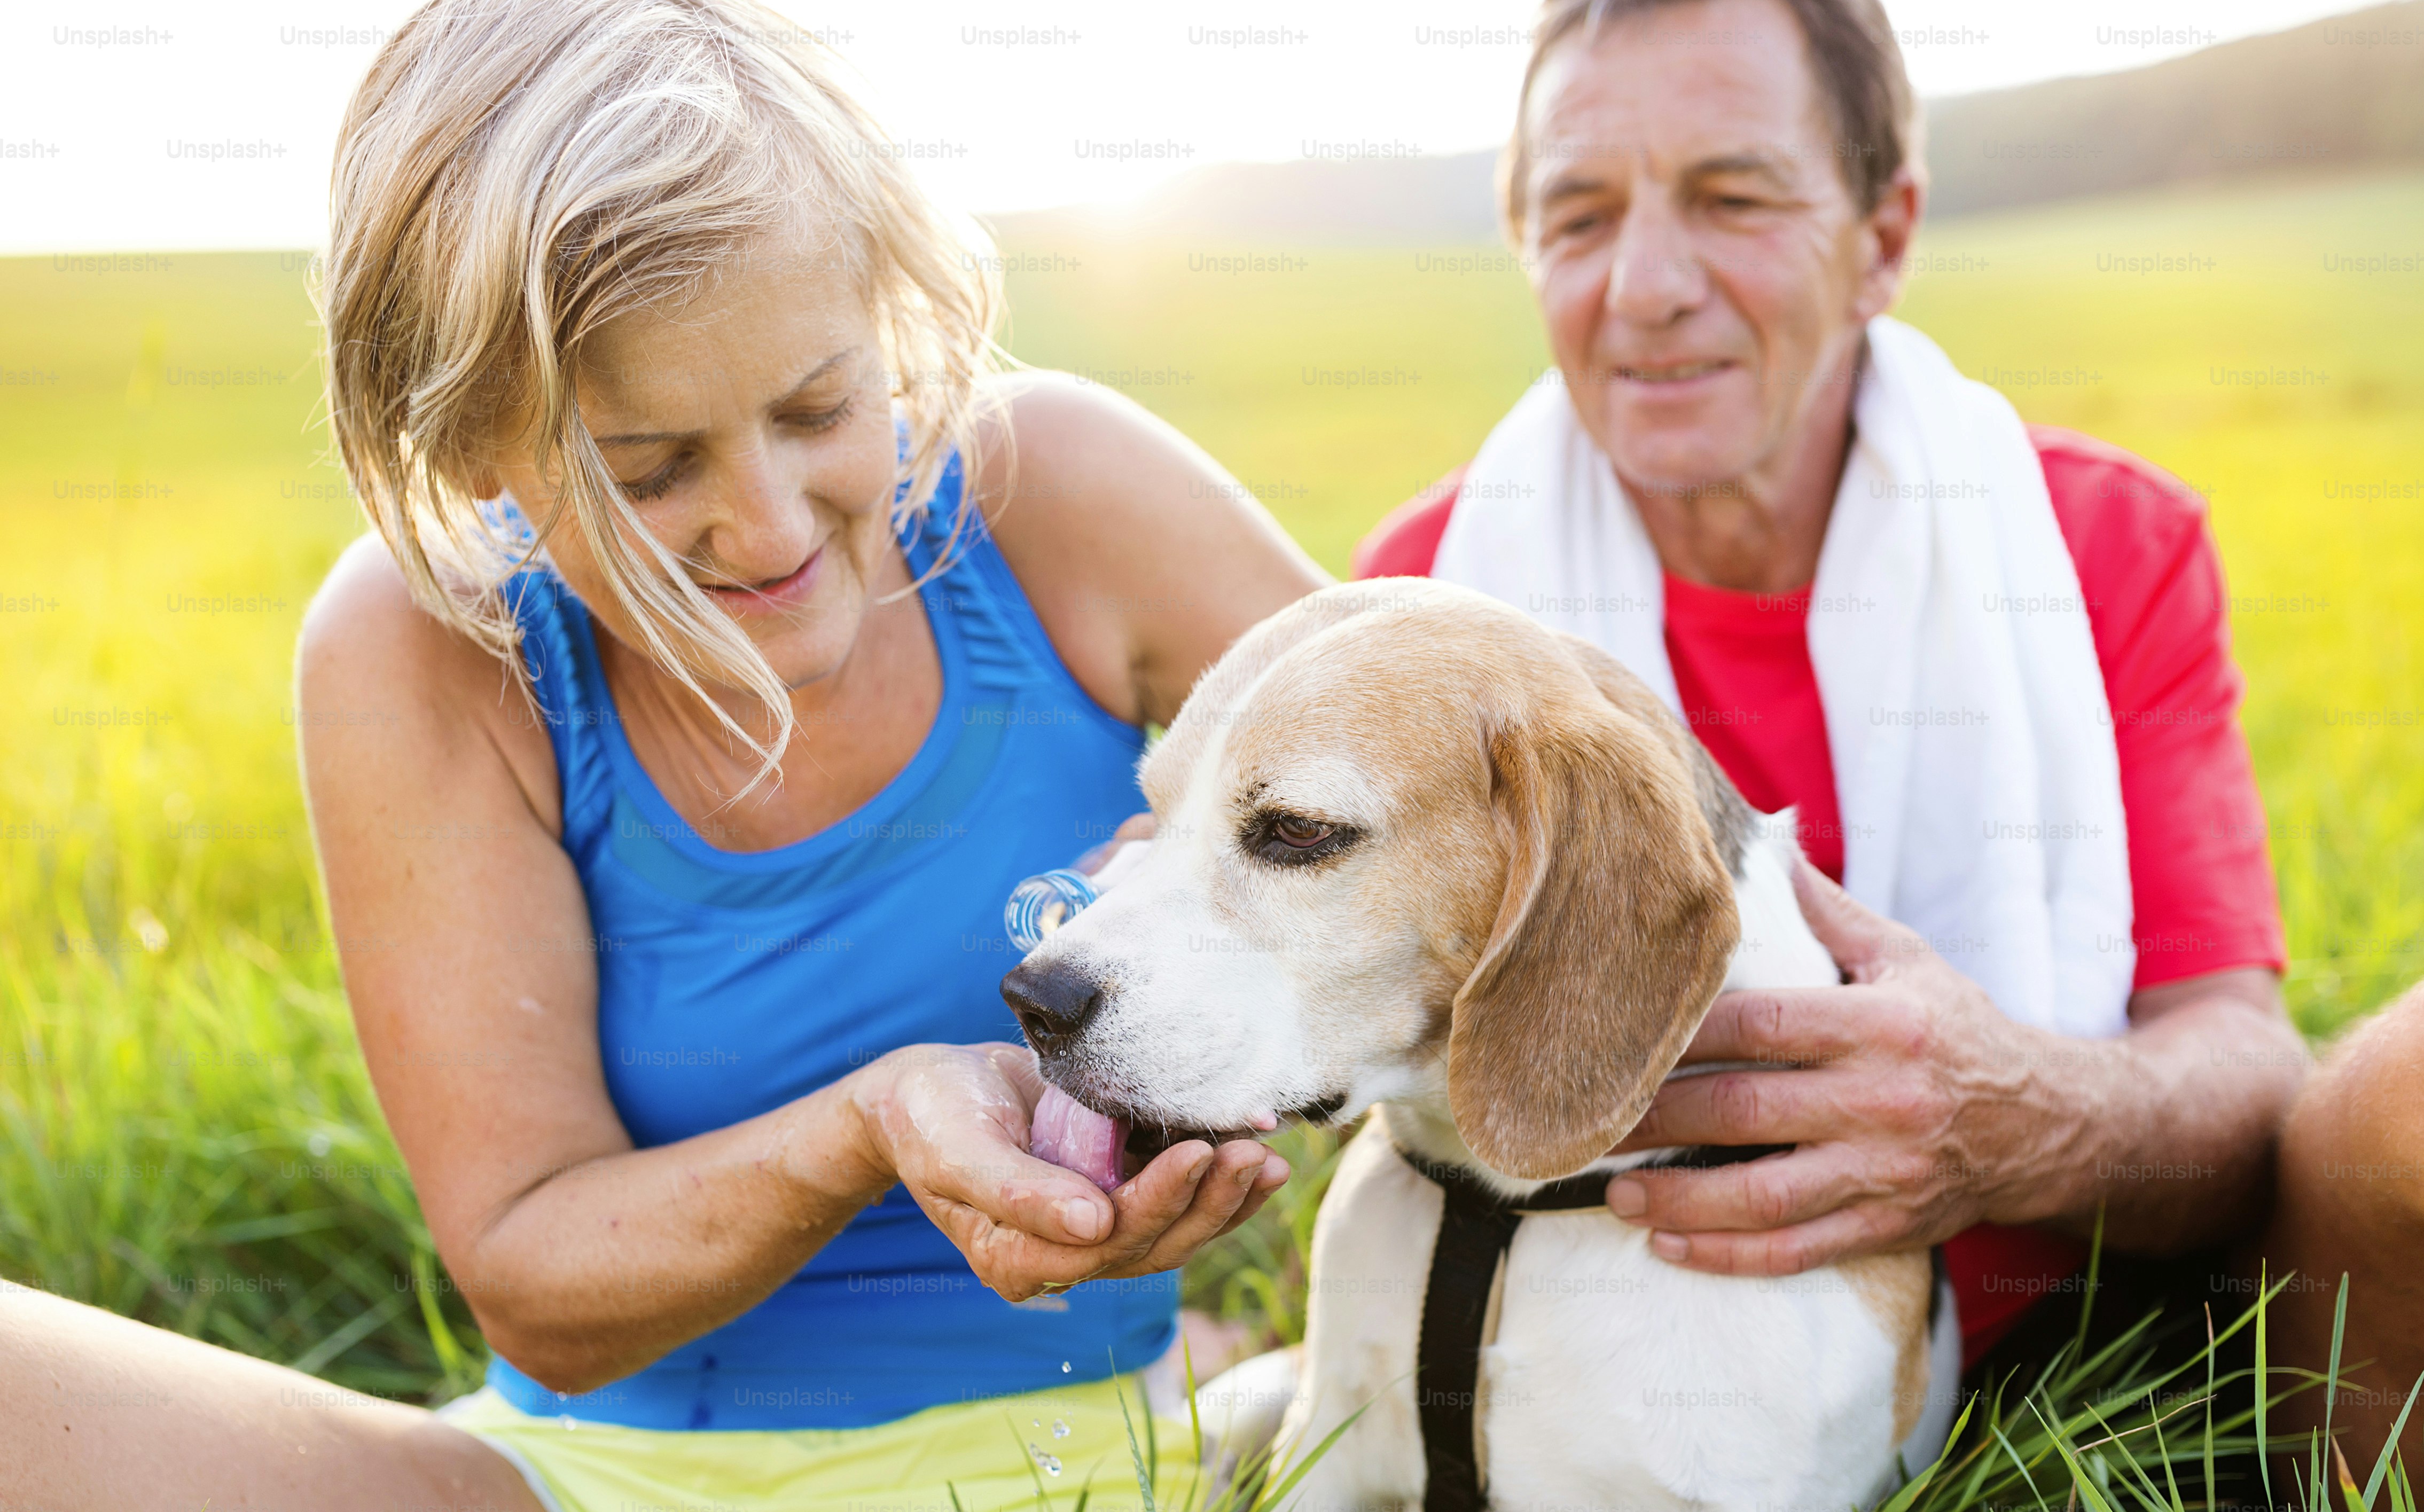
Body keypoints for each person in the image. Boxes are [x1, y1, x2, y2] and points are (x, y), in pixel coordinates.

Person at [0, 2, 1320, 1508]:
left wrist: (1204, 886)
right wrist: (868, 1125)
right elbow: (535, 1287)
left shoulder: (1053, 494)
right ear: (473, 451)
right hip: (595, 1477)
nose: (765, 527)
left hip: (1083, 1461)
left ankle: (1213, 1379)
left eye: (821, 406)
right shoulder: (431, 645)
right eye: (646, 470)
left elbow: (1435, 807)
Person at [1352, 0, 2311, 1405]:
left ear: (1883, 237)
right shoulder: (1427, 601)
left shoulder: (2098, 548)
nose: (1644, 285)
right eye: (1576, 215)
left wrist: (2012, 1118)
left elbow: (2237, 1060)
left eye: (1732, 197)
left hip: (2039, 1376)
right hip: (1580, 1408)